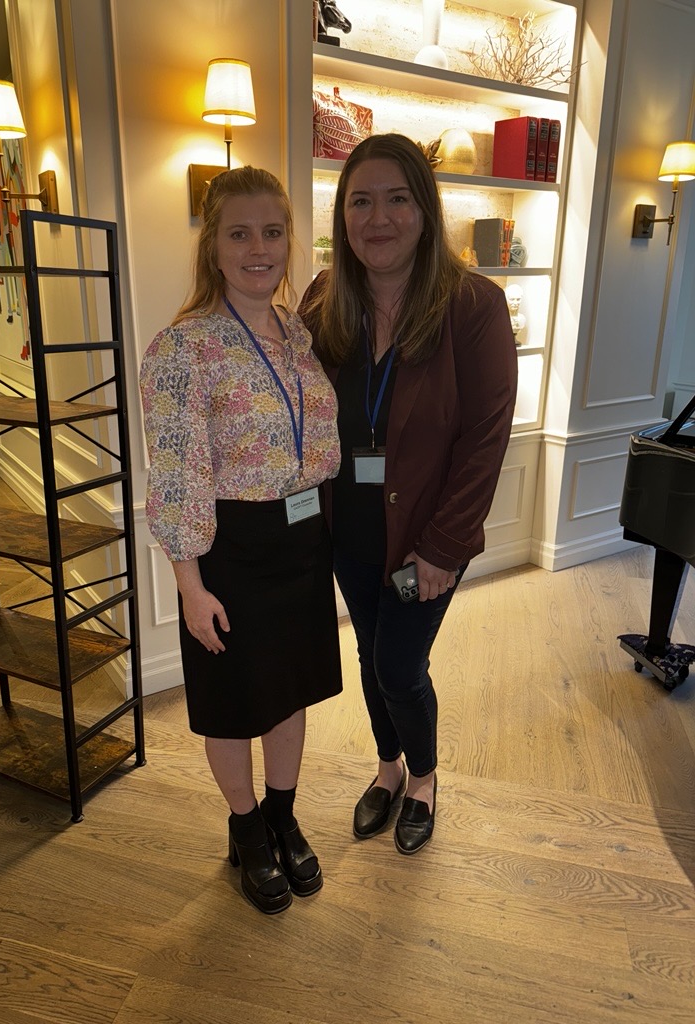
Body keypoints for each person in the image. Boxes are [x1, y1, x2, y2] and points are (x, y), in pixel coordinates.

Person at [300, 134, 517, 855]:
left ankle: (423, 778)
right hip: (348, 527)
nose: (378, 217)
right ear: (343, 215)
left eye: (397, 198)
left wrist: (445, 549)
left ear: (425, 210)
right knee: (368, 655)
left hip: (424, 536)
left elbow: (483, 442)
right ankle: (387, 768)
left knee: (399, 664)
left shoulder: (473, 306)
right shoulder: (324, 300)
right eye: (361, 200)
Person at [139, 166, 342, 914]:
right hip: (228, 549)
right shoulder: (182, 347)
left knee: (290, 689)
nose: (260, 248)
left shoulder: (298, 332)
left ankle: (283, 816)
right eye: (240, 233)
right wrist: (191, 586)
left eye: (274, 231)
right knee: (233, 701)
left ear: (290, 238)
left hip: (301, 542)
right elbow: (177, 473)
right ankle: (247, 830)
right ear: (213, 245)